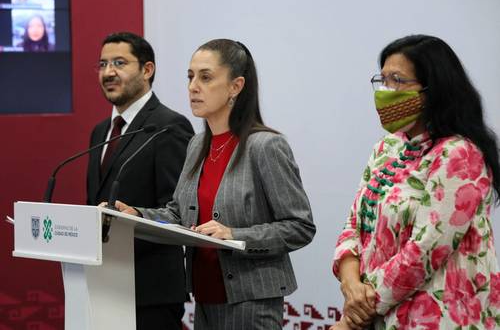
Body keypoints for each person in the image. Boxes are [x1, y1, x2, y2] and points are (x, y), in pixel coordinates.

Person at [113, 38, 316, 329]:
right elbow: (179, 214)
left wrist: (235, 235)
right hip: (204, 301)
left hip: (251, 303)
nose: (193, 86)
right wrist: (138, 215)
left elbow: (300, 227)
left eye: (205, 77)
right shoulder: (197, 144)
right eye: (190, 77)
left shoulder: (265, 146)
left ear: (236, 86)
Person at [331, 34, 500, 330]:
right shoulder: (387, 148)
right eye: (381, 80)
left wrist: (353, 316)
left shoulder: (461, 155)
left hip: (439, 318)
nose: (385, 91)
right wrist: (350, 283)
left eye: (397, 80)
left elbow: (424, 251)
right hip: (375, 316)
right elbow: (354, 225)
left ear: (433, 90)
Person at [87, 32, 194, 330]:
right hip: (102, 284)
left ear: (147, 70)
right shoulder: (99, 132)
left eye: (119, 63)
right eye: (102, 64)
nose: (108, 72)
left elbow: (179, 211)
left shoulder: (168, 127)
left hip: (150, 292)